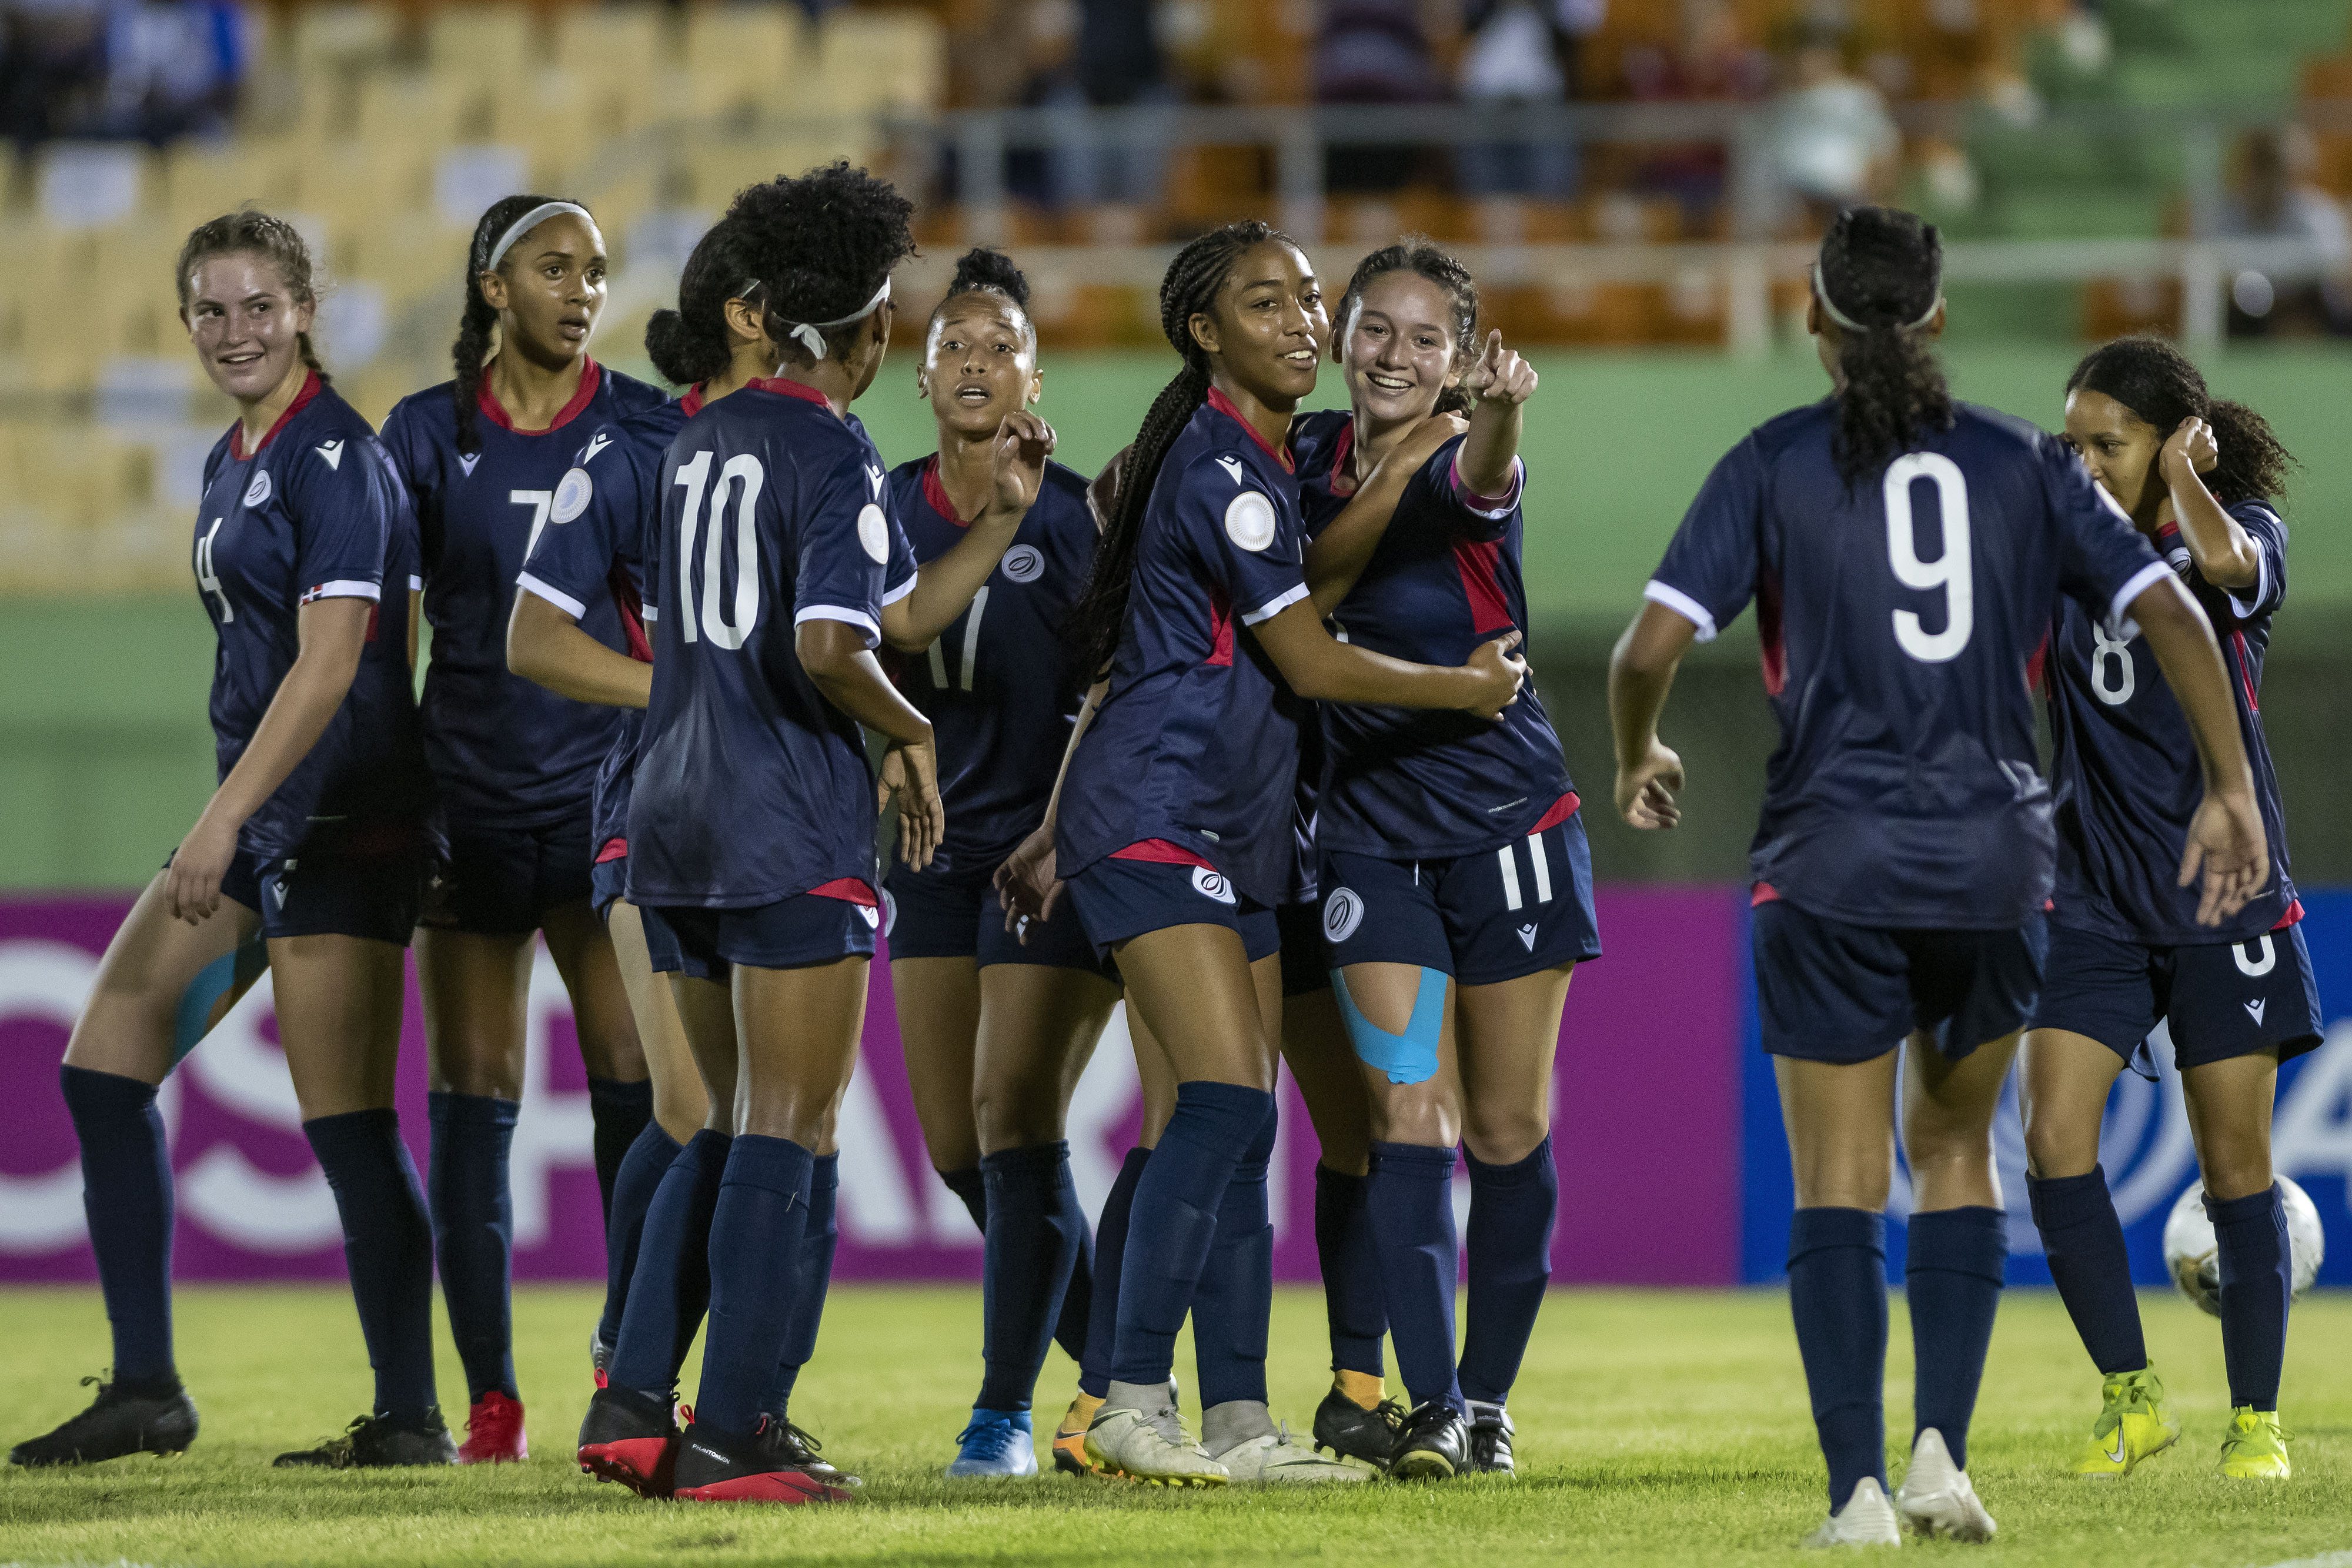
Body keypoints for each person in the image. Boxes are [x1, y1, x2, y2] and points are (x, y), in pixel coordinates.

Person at [1606, 207, 2270, 1547]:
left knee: (1837, 1174)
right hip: (1993, 860)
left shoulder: (1772, 462)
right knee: (1956, 1149)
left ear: (1812, 323)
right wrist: (2230, 783)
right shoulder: (2029, 466)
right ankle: (1935, 1456)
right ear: (1936, 321)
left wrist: (1640, 747)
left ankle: (1854, 1485)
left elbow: (1645, 643)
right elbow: (2173, 608)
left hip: (1828, 856)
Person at [1045, 218, 1526, 1486]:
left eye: (1312, 298)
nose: (1305, 322)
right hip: (1161, 812)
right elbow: (1306, 657)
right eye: (1269, 303)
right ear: (1204, 332)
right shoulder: (1226, 468)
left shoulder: (1264, 457)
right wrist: (1462, 688)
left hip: (1231, 826)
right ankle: (1122, 1394)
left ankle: (1242, 1418)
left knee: (1231, 1121)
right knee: (1217, 1101)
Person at [617, 161, 1053, 1506]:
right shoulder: (831, 445)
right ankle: (732, 1428)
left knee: (736, 1118)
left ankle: (672, 1405)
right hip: (777, 817)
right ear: (868, 334)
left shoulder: (697, 438)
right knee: (790, 1123)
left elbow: (894, 615)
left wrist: (992, 528)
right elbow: (832, 644)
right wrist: (908, 736)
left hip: (668, 816)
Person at [10, 209, 447, 1469]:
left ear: (308, 310)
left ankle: (409, 1416)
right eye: (211, 309)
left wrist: (222, 816)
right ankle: (147, 1385)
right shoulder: (230, 457)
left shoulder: (337, 461)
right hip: (263, 822)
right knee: (101, 1071)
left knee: (346, 1122)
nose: (235, 330)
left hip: (343, 821)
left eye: (260, 305)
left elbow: (331, 664)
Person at [377, 193, 666, 1465]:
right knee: (473, 1098)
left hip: (604, 799)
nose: (582, 290)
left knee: (635, 1088)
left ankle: (627, 1356)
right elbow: (381, 632)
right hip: (469, 802)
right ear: (494, 289)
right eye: (555, 267)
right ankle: (490, 1400)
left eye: (596, 271)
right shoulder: (425, 433)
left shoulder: (644, 422)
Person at [1290, 239, 1572, 1480]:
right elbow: (1283, 578)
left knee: (1506, 1126)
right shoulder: (1295, 462)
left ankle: (1492, 1395)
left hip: (1507, 829)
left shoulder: (1470, 454)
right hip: (1366, 841)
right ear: (1340, 338)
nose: (1392, 354)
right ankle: (1434, 1403)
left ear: (1459, 358)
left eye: (1421, 338)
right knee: (1409, 1108)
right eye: (1374, 330)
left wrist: (1495, 419)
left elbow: (1483, 472)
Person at [2023, 335, 2320, 1482]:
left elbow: (2226, 559)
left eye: (2109, 443)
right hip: (2092, 898)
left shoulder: (2237, 534)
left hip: (2224, 901)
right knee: (2053, 1140)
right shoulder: (2056, 551)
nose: (2084, 462)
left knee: (2233, 1162)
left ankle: (2255, 1421)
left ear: (2171, 442)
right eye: (2073, 441)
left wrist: (2190, 480)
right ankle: (2130, 1396)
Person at [879, 246, 1120, 1478]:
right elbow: (845, 650)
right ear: (921, 377)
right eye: (954, 345)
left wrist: (1063, 833)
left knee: (1010, 1117)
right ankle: (1126, 1368)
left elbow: (1115, 688)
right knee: (953, 1149)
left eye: (999, 344)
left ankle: (1001, 1415)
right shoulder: (873, 508)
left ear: (1035, 374)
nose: (976, 361)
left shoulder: (1081, 516)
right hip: (929, 855)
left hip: (1045, 861)